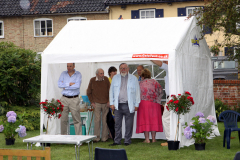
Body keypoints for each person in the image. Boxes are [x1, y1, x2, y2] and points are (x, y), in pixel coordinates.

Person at [109, 63, 140, 146]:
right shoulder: (115, 78)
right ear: (119, 69)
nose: (123, 70)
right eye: (121, 68)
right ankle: (117, 141)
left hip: (129, 105)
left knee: (129, 124)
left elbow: (137, 92)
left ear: (128, 69)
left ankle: (127, 140)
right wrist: (111, 103)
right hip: (117, 105)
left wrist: (137, 104)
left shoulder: (133, 78)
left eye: (125, 68)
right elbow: (111, 91)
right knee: (117, 124)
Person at [136, 68, 164, 143]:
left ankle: (147, 139)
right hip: (154, 104)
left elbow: (136, 94)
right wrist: (157, 99)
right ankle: (154, 139)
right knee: (153, 121)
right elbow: (161, 92)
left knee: (145, 120)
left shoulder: (140, 83)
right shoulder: (155, 82)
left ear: (142, 76)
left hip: (144, 104)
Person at [58, 63, 82, 135]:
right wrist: (69, 84)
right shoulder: (63, 73)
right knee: (63, 119)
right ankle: (63, 138)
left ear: (74, 66)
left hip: (74, 98)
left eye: (70, 66)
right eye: (67, 66)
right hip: (64, 98)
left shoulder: (78, 74)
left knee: (76, 119)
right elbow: (59, 84)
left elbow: (77, 86)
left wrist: (65, 85)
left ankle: (79, 138)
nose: (68, 67)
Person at [87, 68, 110, 142]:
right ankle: (96, 138)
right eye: (101, 73)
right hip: (96, 103)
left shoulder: (106, 79)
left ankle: (104, 138)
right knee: (97, 121)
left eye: (103, 73)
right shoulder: (92, 80)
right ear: (96, 74)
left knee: (105, 121)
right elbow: (88, 92)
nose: (102, 75)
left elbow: (110, 90)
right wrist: (92, 102)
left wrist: (109, 101)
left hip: (106, 103)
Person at [151, 60, 169, 146]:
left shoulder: (170, 67)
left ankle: (170, 140)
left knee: (165, 118)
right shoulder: (172, 69)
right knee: (169, 119)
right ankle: (171, 139)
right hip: (171, 97)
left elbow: (161, 64)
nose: (164, 61)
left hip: (173, 97)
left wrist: (150, 56)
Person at [107, 66, 118, 141]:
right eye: (113, 71)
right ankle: (110, 134)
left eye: (115, 71)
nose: (115, 73)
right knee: (109, 119)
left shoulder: (117, 80)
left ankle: (115, 134)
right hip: (109, 102)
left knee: (115, 119)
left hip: (116, 101)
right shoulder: (108, 80)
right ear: (110, 72)